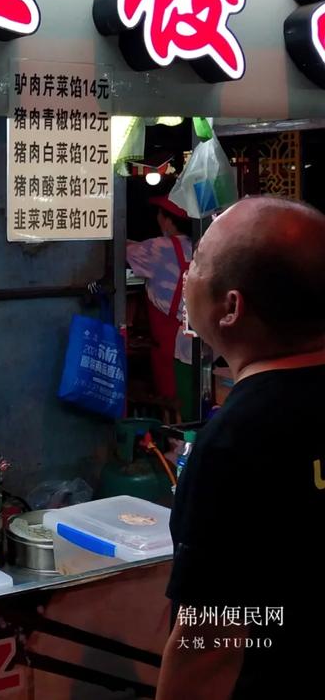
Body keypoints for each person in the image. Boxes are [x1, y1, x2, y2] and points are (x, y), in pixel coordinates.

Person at [156, 197, 325, 699]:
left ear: (231, 307)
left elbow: (210, 644)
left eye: (200, 262)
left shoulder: (234, 444)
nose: (188, 275)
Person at [127, 196, 193, 419]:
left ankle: (177, 446)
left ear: (167, 221)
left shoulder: (158, 248)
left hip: (170, 339)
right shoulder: (198, 245)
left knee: (171, 397)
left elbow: (123, 252)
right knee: (193, 394)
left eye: (159, 215)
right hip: (197, 333)